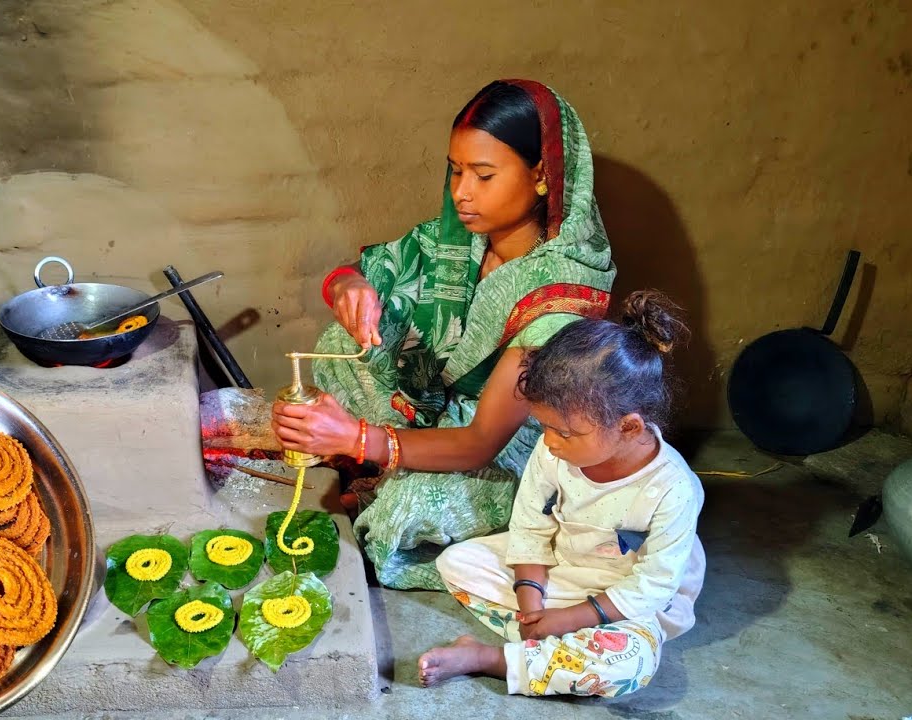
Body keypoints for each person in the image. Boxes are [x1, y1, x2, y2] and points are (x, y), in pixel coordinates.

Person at [271, 80, 615, 590]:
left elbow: (479, 443)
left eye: (483, 174)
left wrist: (354, 438)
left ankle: (396, 484)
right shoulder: (456, 238)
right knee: (342, 346)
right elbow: (363, 267)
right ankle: (385, 462)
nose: (461, 192)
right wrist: (350, 287)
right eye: (455, 171)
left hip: (508, 448)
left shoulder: (559, 297)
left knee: (405, 514)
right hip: (435, 403)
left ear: (542, 175)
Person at [417, 291, 705, 698]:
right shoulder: (555, 449)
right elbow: (530, 526)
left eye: (565, 432)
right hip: (565, 572)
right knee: (456, 563)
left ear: (629, 427)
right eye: (544, 427)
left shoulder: (673, 488)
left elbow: (654, 586)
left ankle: (494, 659)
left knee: (627, 665)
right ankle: (550, 646)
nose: (550, 442)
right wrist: (532, 603)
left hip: (627, 605)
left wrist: (572, 618)